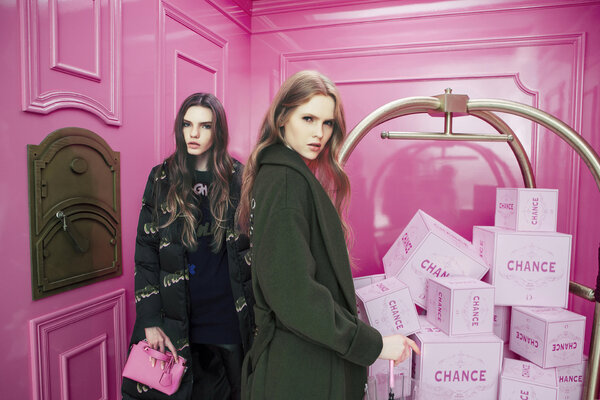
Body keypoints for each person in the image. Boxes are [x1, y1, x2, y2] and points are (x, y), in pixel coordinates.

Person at [237, 70, 420, 400]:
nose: (319, 133)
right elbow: (295, 294)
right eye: (308, 119)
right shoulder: (285, 183)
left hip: (302, 360)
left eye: (327, 123)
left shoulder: (284, 175)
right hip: (300, 369)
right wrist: (374, 345)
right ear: (282, 119)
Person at [122, 93, 255, 400]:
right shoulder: (162, 178)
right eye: (187, 124)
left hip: (228, 316)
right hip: (177, 316)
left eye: (205, 126)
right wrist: (150, 320)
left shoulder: (240, 178)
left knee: (236, 392)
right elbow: (146, 252)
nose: (193, 133)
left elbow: (256, 248)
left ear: (218, 131)